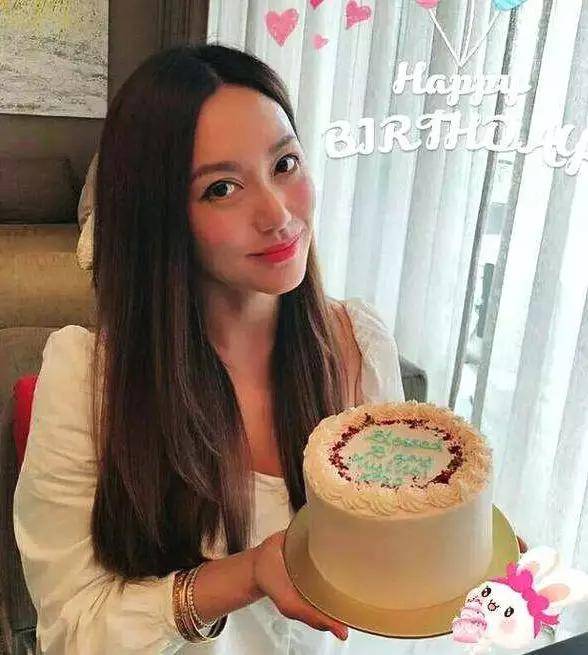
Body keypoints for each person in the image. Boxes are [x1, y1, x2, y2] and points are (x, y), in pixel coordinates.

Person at [13, 42, 407, 654]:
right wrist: (244, 576)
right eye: (222, 188)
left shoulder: (360, 344)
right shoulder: (88, 382)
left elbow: (384, 544)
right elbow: (71, 632)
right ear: (160, 216)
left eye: (285, 164)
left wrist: (445, 545)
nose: (277, 214)